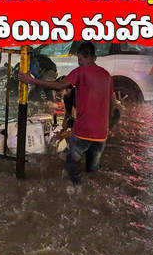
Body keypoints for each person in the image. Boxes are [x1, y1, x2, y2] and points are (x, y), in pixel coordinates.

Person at [19, 42, 118, 184]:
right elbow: (112, 102)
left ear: (81, 57)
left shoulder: (81, 71)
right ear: (95, 57)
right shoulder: (107, 75)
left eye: (80, 60)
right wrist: (107, 124)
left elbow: (59, 85)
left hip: (83, 131)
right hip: (101, 134)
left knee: (72, 165)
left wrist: (31, 80)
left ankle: (75, 190)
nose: (79, 63)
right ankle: (90, 193)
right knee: (92, 170)